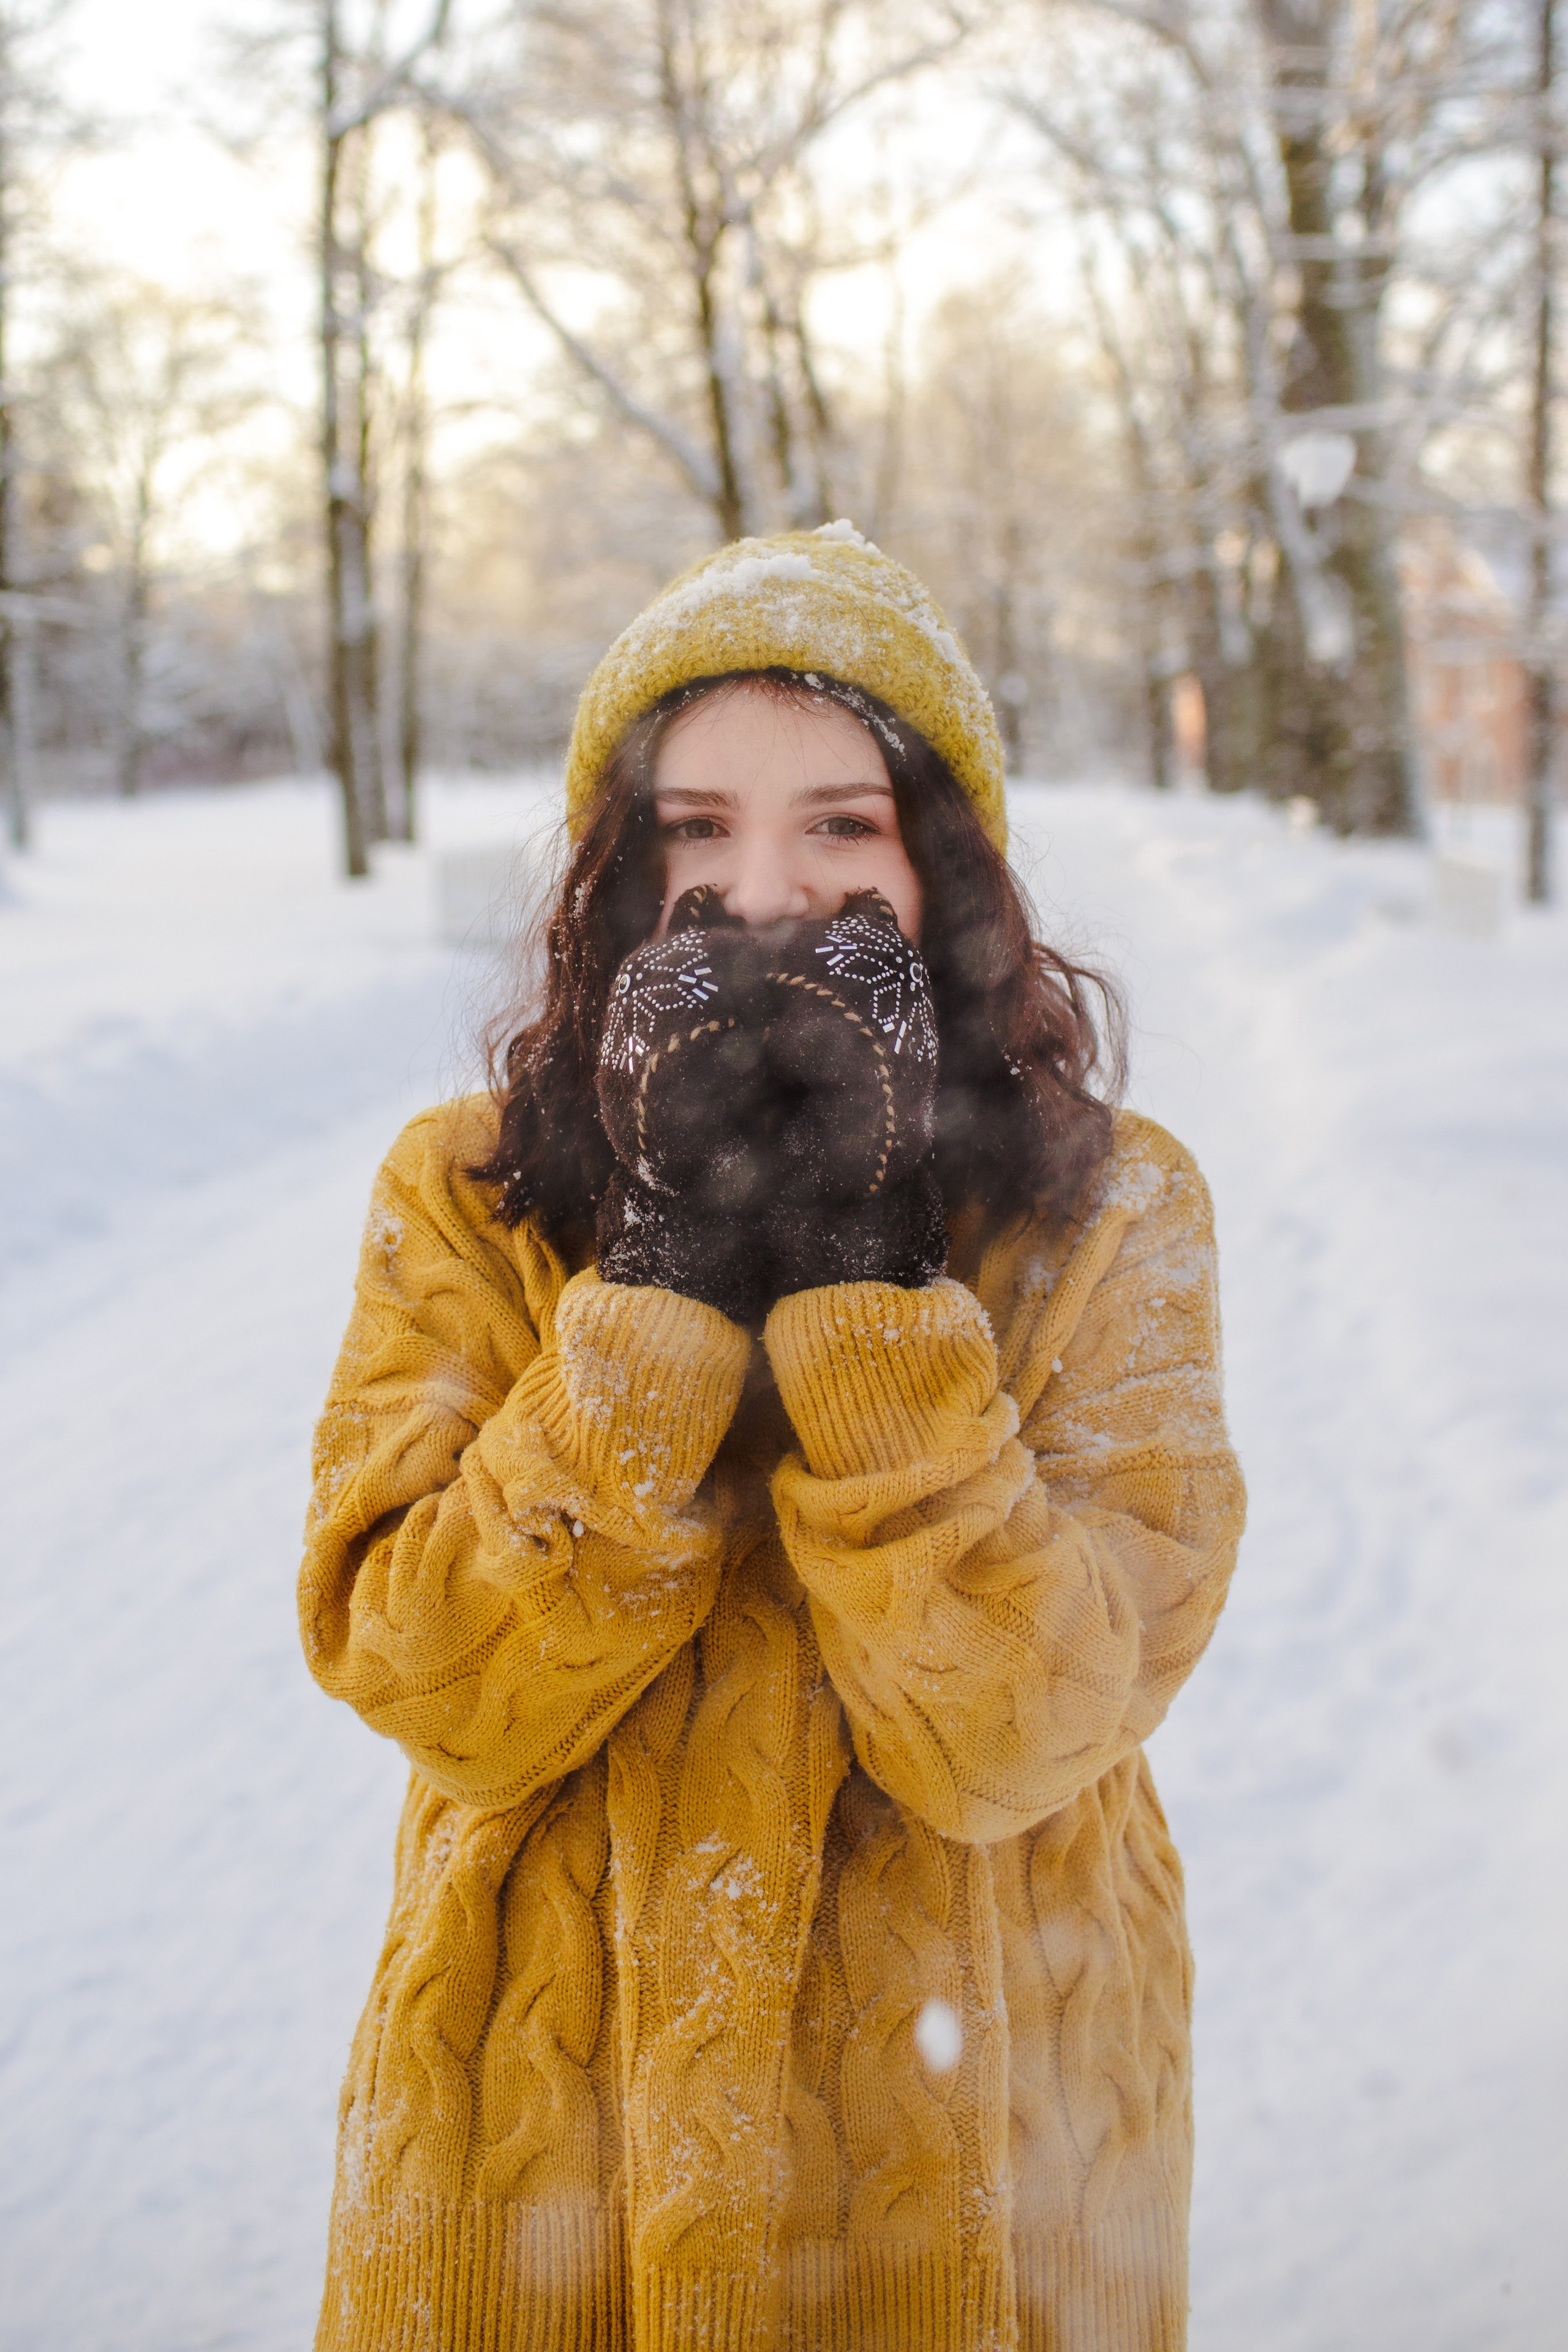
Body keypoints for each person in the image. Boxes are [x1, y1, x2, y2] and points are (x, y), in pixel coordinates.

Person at [299, 524, 1246, 2352]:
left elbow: (1017, 1736)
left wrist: (867, 1282)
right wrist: (650, 1282)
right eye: (695, 830)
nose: (765, 892)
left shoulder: (1116, 1214)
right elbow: (432, 1683)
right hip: (542, 2142)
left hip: (982, 2144)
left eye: (841, 824)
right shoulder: (468, 1196)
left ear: (942, 864)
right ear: (619, 875)